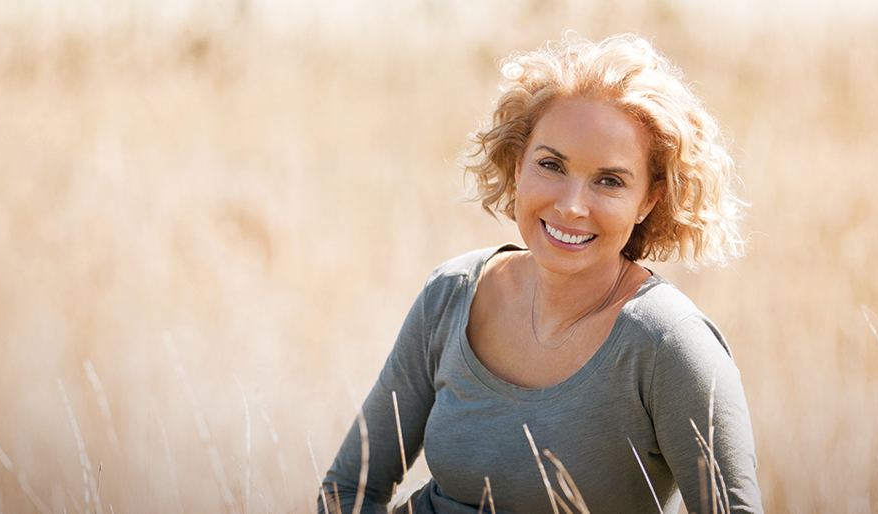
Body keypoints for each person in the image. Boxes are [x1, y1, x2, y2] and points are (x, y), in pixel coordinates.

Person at [320, 33, 761, 514]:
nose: (571, 205)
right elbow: (347, 490)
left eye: (609, 180)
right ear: (517, 166)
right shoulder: (450, 295)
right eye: (551, 165)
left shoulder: (670, 345)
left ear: (649, 199)